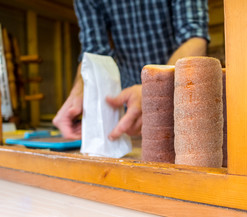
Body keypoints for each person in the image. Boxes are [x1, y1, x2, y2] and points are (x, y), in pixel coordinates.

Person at [53, 0, 210, 140]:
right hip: (131, 114)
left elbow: (194, 38)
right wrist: (80, 91)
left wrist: (154, 91)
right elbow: (93, 50)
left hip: (183, 100)